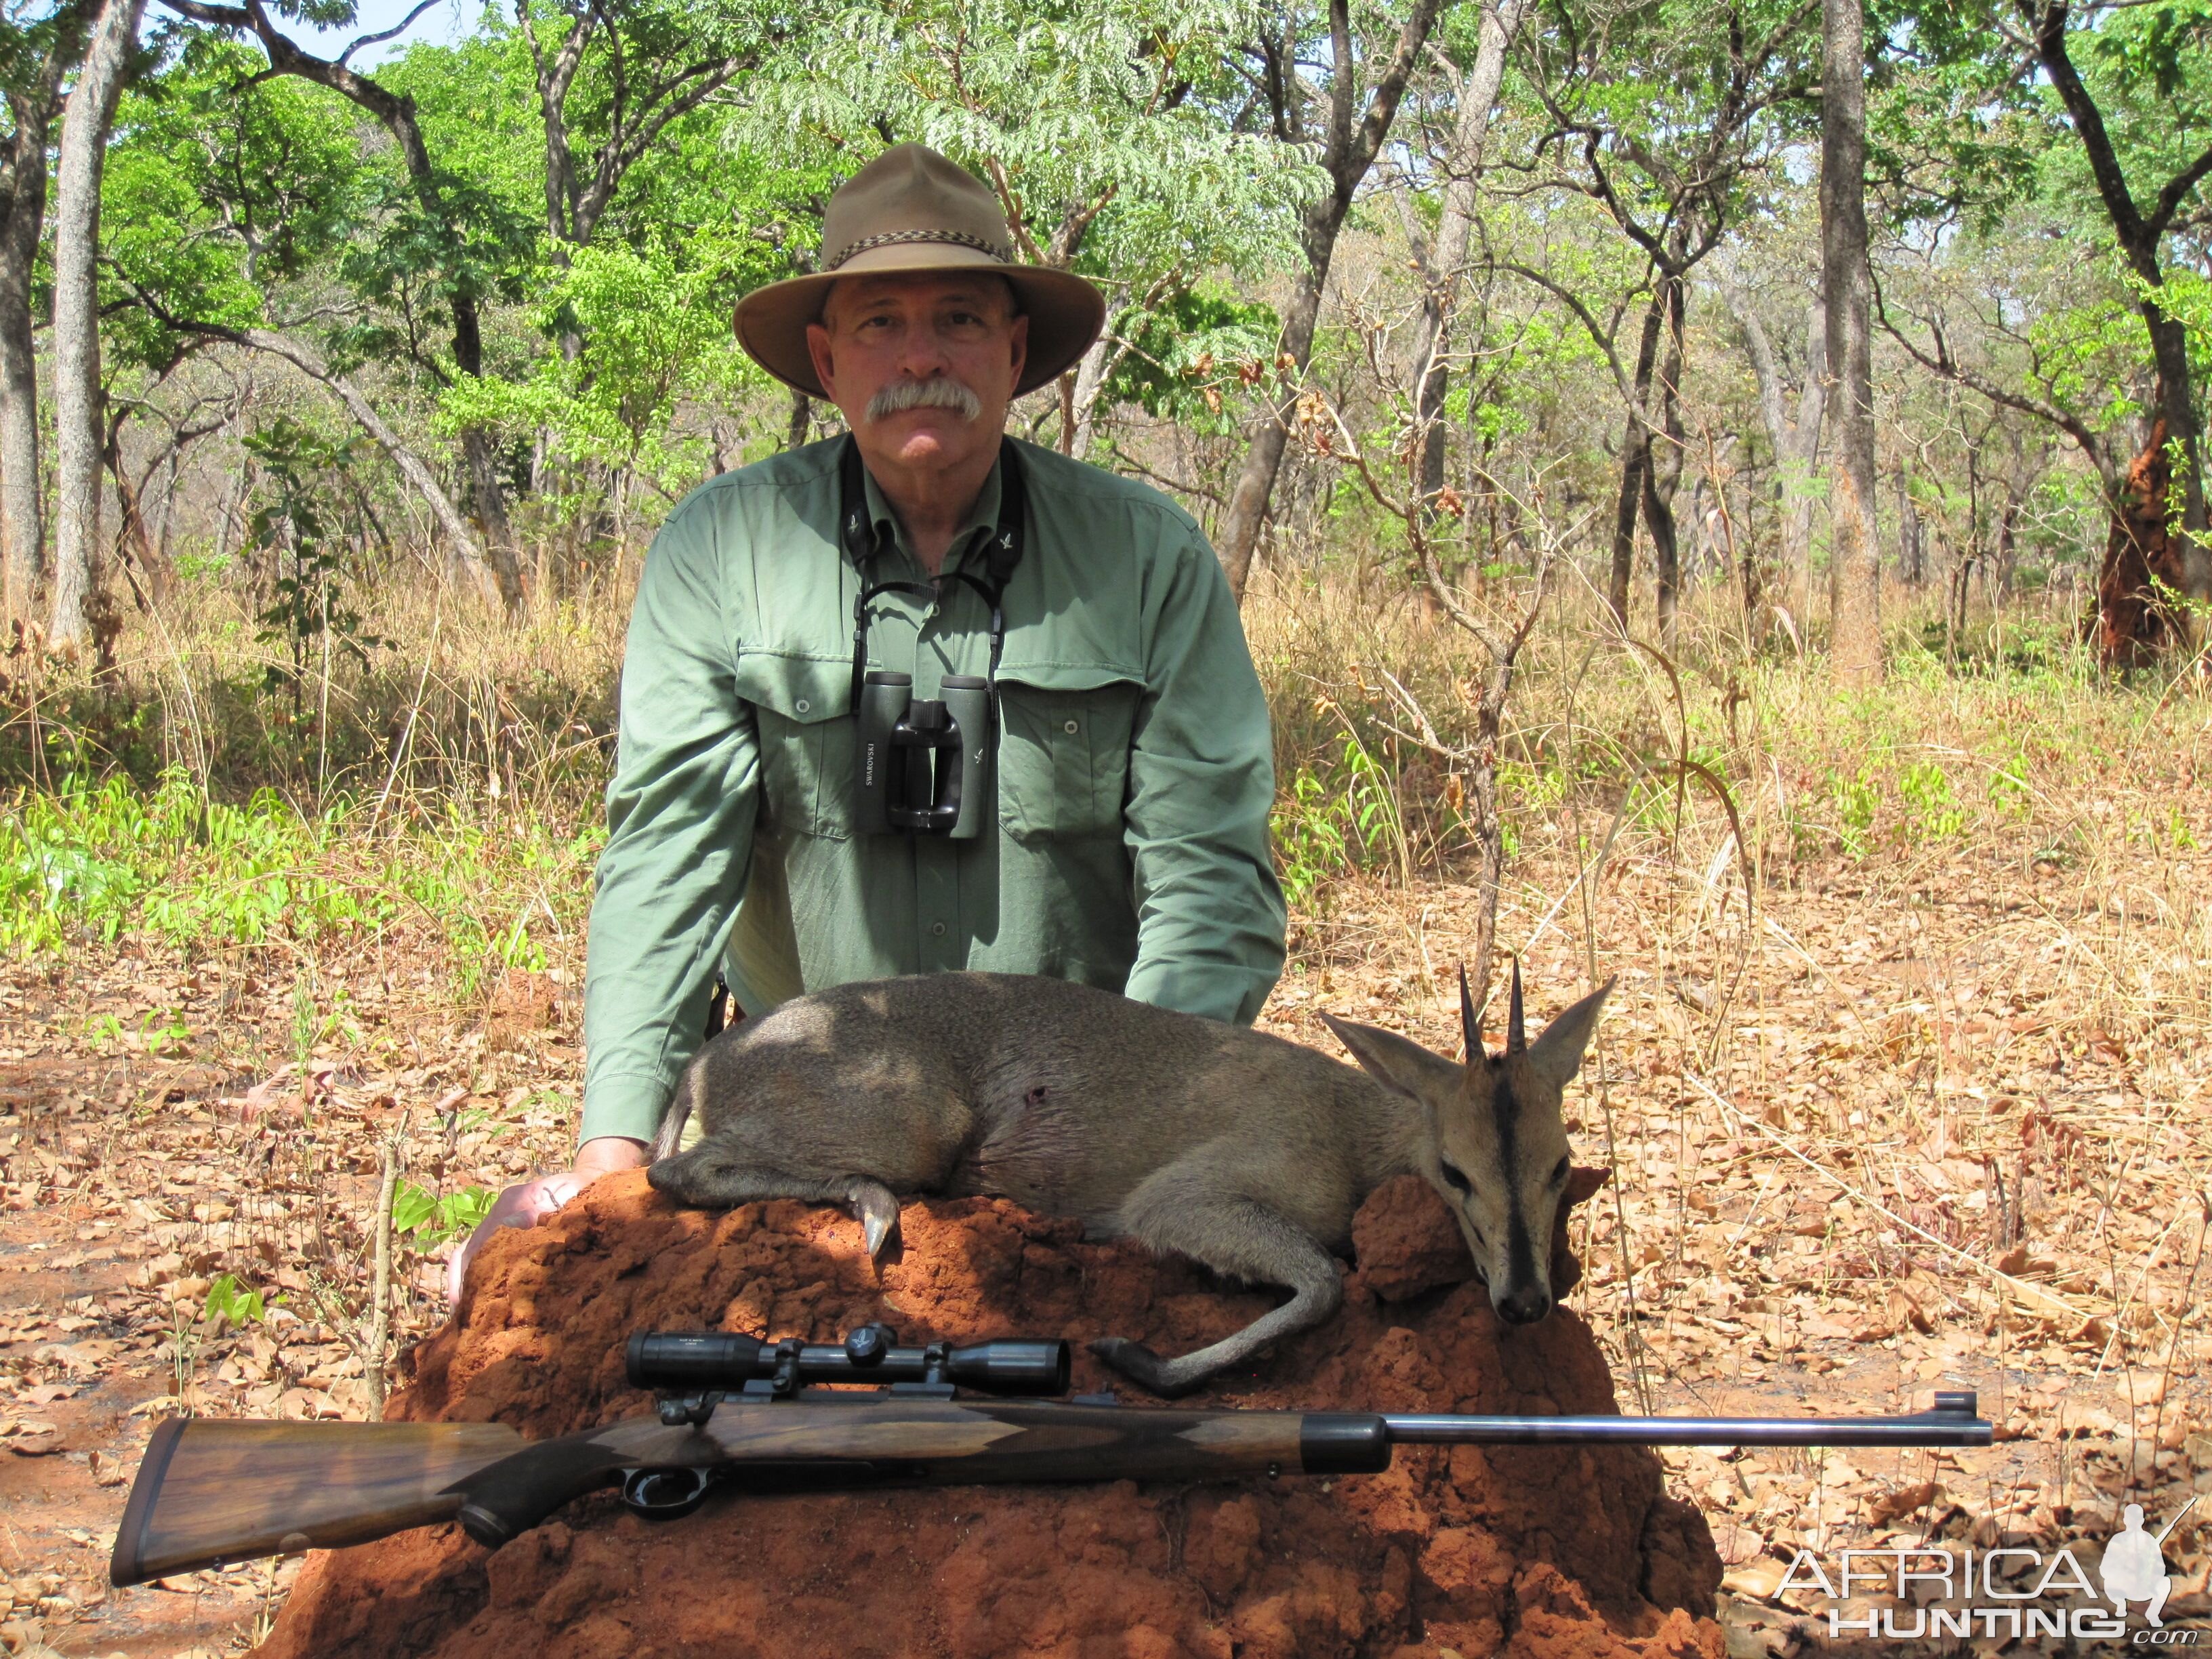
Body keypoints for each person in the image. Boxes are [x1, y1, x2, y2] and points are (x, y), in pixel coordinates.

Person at [449, 144, 1287, 1296]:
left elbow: (1212, 878)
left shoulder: (1147, 559)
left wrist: (1127, 1136)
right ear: (826, 359)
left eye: (956, 317)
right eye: (881, 323)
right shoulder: (721, 552)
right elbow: (666, 858)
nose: (921, 358)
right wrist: (616, 1156)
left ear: (1015, 350)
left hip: (1072, 1143)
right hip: (815, 1123)